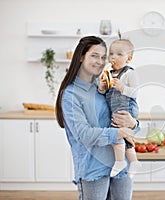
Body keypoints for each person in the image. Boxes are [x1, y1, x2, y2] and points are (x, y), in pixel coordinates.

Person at [55, 36, 138, 200]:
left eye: (103, 57)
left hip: (120, 166)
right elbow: (84, 135)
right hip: (93, 169)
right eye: (94, 55)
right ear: (81, 56)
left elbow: (128, 116)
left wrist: (133, 124)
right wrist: (119, 133)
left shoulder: (106, 86)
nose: (100, 61)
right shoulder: (71, 94)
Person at [98, 38, 141, 178]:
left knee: (118, 135)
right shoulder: (109, 74)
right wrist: (103, 87)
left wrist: (122, 87)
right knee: (124, 138)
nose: (113, 57)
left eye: (119, 54)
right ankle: (133, 161)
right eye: (111, 54)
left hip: (126, 109)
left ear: (128, 58)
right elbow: (103, 94)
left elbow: (135, 93)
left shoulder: (130, 73)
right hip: (115, 110)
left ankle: (120, 161)